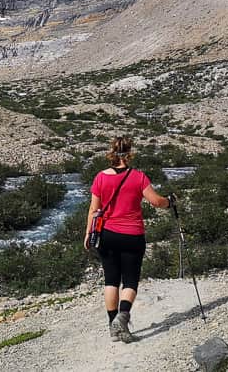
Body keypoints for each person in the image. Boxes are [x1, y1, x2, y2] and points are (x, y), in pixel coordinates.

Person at [85, 136, 171, 343]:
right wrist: (170, 202)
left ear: (111, 153)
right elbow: (156, 202)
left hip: (107, 234)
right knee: (130, 280)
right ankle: (122, 318)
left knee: (111, 280)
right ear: (130, 153)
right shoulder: (138, 176)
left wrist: (88, 234)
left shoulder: (100, 178)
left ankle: (113, 325)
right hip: (132, 235)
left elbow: (93, 209)